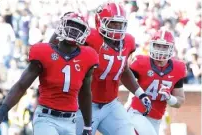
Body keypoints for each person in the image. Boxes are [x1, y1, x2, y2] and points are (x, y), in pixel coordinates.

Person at [0, 12, 99, 135]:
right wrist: (2, 111)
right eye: (70, 24)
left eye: (79, 27)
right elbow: (21, 85)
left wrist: (88, 126)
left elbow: (85, 93)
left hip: (70, 120)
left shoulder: (88, 57)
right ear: (61, 26)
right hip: (46, 118)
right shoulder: (44, 52)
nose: (73, 30)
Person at [49, 3, 152, 135]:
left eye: (120, 24)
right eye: (113, 23)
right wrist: (60, 29)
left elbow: (124, 70)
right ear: (100, 22)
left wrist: (140, 93)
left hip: (111, 104)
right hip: (84, 105)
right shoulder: (90, 37)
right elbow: (52, 48)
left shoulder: (128, 42)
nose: (117, 27)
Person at [126, 29, 186, 135]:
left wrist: (170, 98)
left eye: (164, 46)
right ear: (152, 45)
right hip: (137, 113)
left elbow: (180, 101)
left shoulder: (178, 68)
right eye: (158, 45)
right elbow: (123, 78)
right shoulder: (141, 62)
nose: (160, 50)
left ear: (171, 48)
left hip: (156, 119)